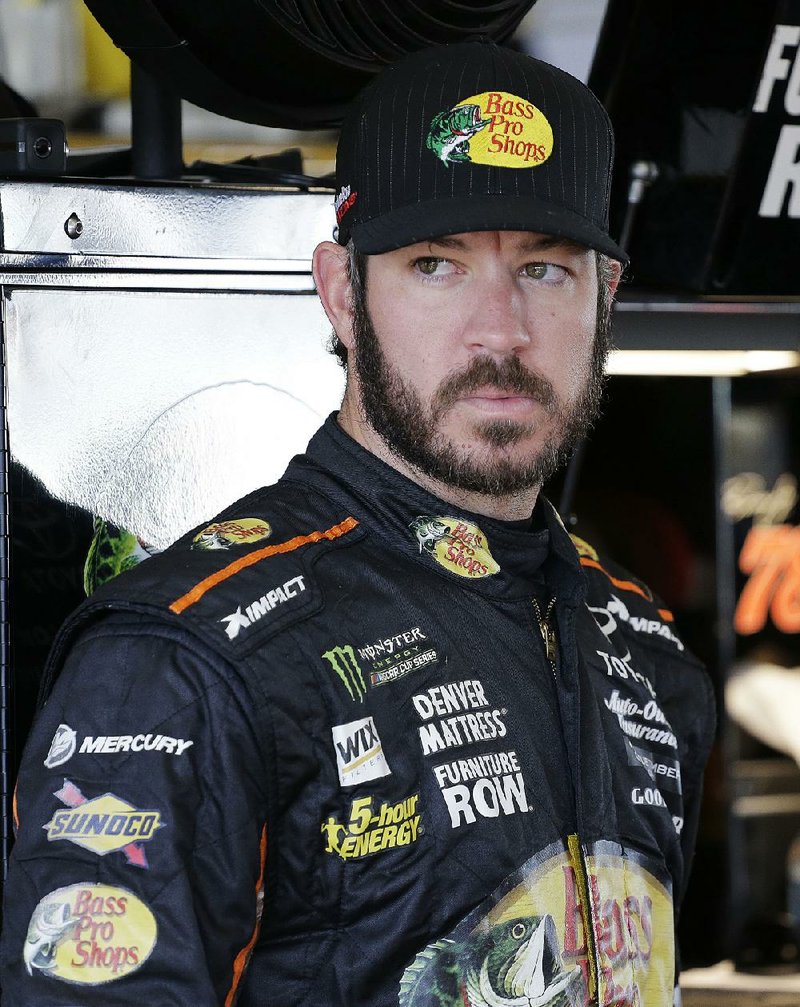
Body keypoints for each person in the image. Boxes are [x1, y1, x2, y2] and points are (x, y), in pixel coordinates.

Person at [0, 39, 715, 1007]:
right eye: (435, 264)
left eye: (544, 270)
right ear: (341, 292)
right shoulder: (186, 663)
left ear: (604, 300)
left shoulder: (643, 651)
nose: (498, 330)